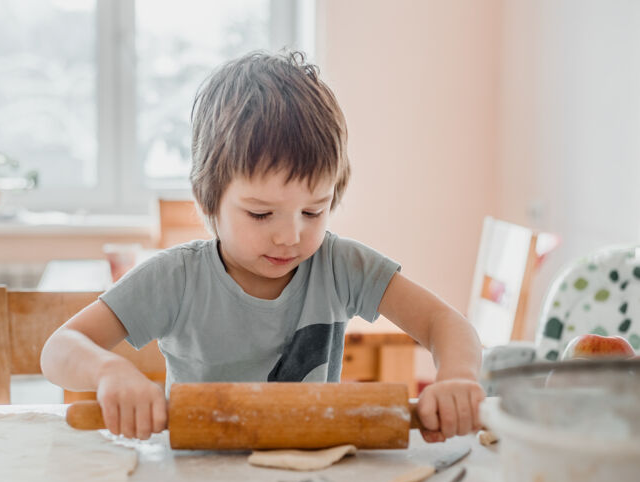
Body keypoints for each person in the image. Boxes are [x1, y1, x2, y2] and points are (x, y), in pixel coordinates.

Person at [41, 50, 485, 443]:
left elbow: (445, 322)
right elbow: (60, 348)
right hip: (199, 480)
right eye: (260, 214)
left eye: (313, 212)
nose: (290, 236)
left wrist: (458, 378)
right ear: (207, 201)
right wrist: (110, 372)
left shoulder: (340, 265)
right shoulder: (175, 278)